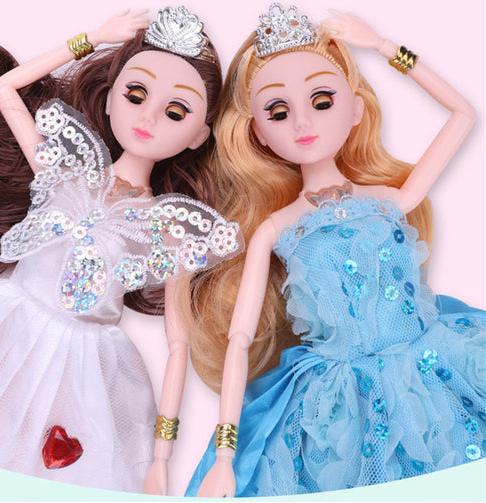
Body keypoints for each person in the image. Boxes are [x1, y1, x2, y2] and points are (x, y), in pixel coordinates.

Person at [185, 4, 485, 497]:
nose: (302, 121)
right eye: (278, 112)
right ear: (259, 133)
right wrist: (224, 454)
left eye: (322, 100)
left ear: (356, 110)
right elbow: (239, 341)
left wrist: (385, 47)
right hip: (345, 398)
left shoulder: (390, 199)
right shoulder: (276, 229)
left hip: (434, 365)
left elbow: (464, 114)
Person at [0, 6, 243, 494]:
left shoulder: (168, 228)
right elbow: (5, 89)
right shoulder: (65, 168)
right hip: (5, 324)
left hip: (81, 364)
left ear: (198, 136)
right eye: (136, 94)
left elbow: (178, 346)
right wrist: (93, 37)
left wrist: (161, 456)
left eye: (176, 111)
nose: (149, 116)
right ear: (109, 100)